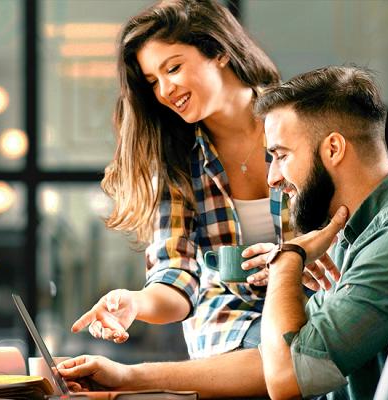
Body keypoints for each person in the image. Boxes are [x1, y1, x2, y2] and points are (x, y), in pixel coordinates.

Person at [58, 66, 388, 399]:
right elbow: (278, 363)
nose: (272, 179)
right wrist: (126, 376)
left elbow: (286, 377)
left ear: (333, 149)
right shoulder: (358, 231)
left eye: (282, 155)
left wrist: (289, 262)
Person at [70, 0, 333, 360]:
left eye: (173, 68)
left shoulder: (304, 123)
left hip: (317, 310)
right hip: (231, 330)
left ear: (219, 52)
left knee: (317, 348)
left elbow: (348, 226)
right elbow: (175, 277)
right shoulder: (175, 159)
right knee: (286, 353)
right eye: (153, 82)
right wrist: (134, 303)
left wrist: (290, 261)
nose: (164, 90)